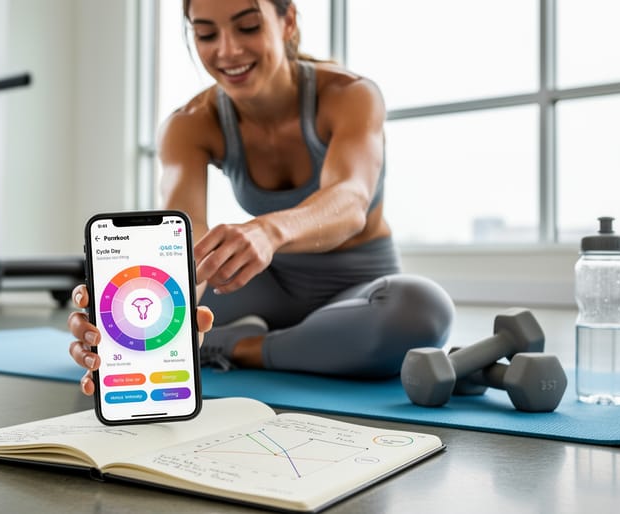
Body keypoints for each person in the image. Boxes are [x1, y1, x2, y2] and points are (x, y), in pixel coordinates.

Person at [68, 0, 454, 396]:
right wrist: (131, 326)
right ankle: (306, 346)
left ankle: (237, 347)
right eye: (206, 34)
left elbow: (351, 200)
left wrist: (270, 231)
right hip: (266, 286)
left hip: (358, 287)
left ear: (288, 21)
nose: (228, 50)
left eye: (248, 27)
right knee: (127, 307)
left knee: (422, 311)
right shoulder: (190, 124)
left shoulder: (350, 95)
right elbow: (185, 236)